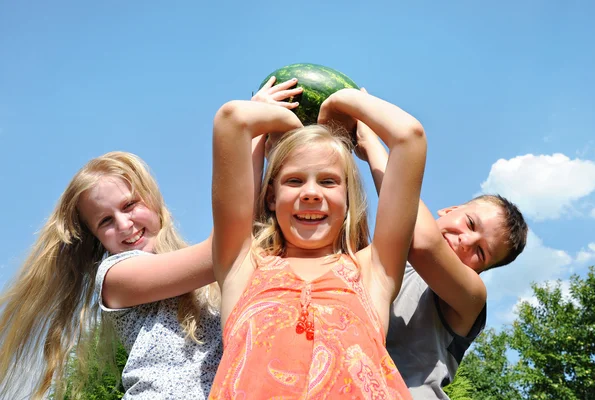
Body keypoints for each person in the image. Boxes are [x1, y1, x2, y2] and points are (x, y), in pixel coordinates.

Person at [209, 87, 427, 398]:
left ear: (348, 198)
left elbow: (410, 136)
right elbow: (231, 119)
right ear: (271, 197)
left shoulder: (372, 271)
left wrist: (344, 100)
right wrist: (284, 120)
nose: (311, 193)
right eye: (294, 180)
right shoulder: (243, 266)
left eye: (328, 181)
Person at [0, 152, 221, 399]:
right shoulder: (115, 276)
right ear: (96, 238)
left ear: (152, 197)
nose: (125, 225)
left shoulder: (205, 285)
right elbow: (220, 253)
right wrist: (243, 136)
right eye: (106, 221)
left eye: (129, 205)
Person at [355, 116, 528, 399]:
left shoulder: (470, 297)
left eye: (481, 253)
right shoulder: (368, 257)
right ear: (449, 210)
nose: (466, 241)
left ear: (480, 272)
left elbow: (421, 243)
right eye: (471, 224)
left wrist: (370, 144)